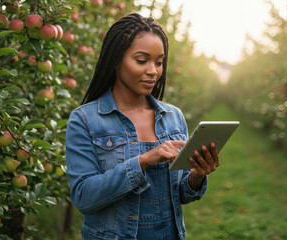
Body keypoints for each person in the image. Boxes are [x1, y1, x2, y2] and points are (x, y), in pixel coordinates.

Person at [65, 13, 220, 240]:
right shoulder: (85, 120)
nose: (153, 71)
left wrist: (196, 176)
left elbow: (182, 195)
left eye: (159, 62)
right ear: (117, 60)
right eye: (141, 60)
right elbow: (84, 197)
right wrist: (144, 161)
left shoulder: (173, 117)